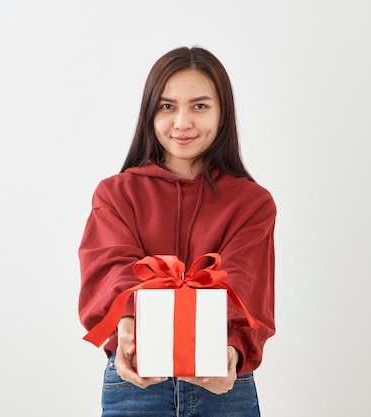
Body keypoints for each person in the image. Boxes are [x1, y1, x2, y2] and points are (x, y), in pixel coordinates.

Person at [78, 46, 276, 417]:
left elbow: (246, 282)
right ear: (150, 113)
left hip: (225, 387)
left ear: (222, 114)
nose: (182, 122)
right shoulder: (116, 194)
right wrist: (126, 331)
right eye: (167, 106)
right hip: (136, 384)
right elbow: (110, 267)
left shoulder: (253, 202)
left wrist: (231, 351)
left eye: (199, 106)